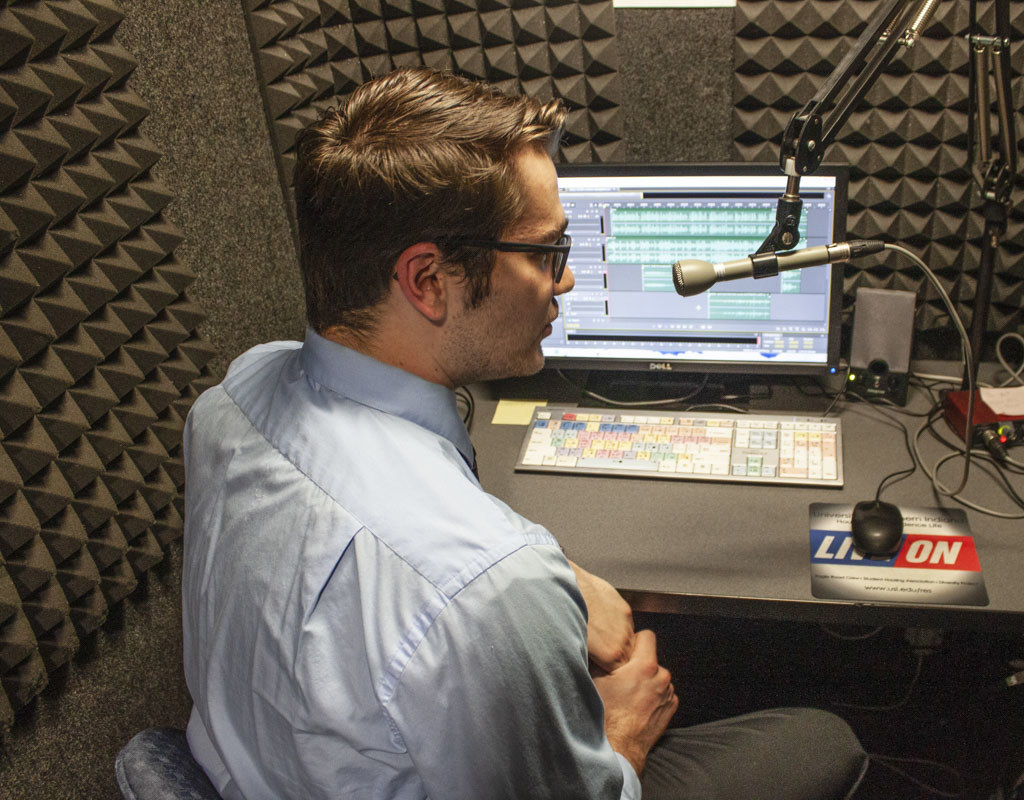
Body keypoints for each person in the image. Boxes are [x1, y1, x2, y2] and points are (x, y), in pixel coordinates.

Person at [182, 66, 866, 799]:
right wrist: (622, 733)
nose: (565, 283)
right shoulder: (490, 588)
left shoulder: (233, 397)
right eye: (546, 253)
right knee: (822, 740)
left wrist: (560, 582)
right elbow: (465, 587)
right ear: (428, 281)